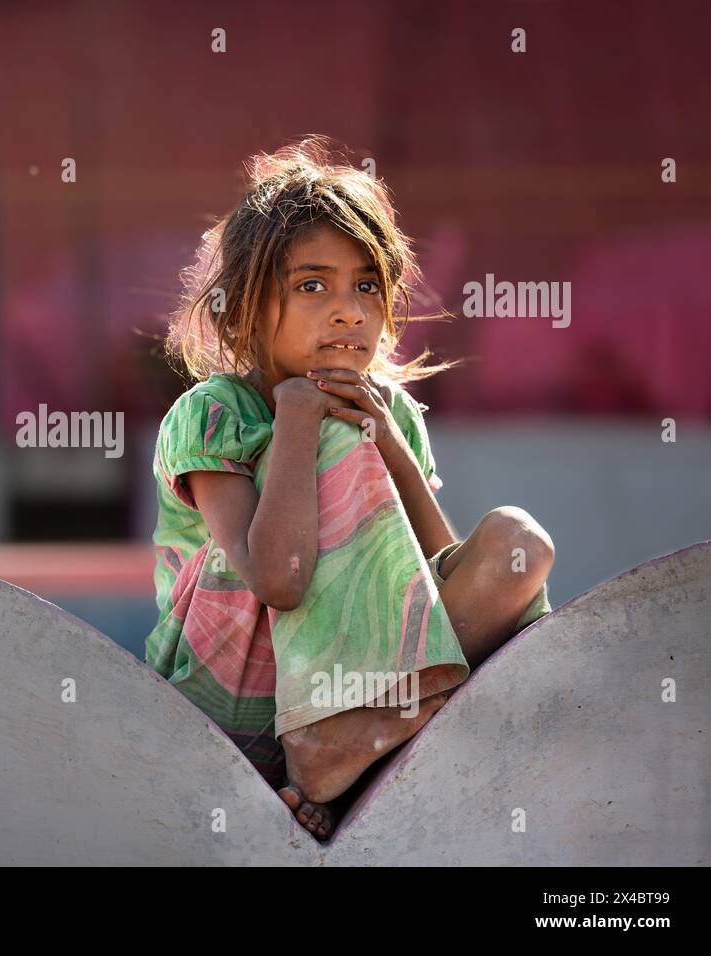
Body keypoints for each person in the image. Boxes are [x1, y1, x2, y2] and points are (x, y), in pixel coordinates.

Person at [146, 136, 554, 841]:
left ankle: (354, 743)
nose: (348, 311)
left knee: (518, 543)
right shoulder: (215, 412)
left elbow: (434, 573)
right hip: (236, 713)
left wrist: (391, 443)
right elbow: (277, 580)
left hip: (365, 704)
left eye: (367, 285)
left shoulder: (388, 410)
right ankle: (331, 742)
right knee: (340, 437)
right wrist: (300, 421)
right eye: (312, 286)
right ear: (244, 312)